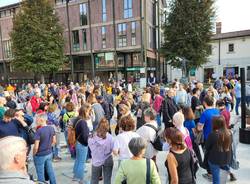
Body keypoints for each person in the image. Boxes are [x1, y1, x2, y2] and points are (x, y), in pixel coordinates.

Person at [205, 116, 232, 184]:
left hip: (214, 160)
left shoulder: (213, 135)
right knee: (223, 176)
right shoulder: (229, 133)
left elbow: (207, 147)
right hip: (226, 158)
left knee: (216, 179)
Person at [33, 113, 57, 184]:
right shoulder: (51, 128)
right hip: (49, 153)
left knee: (40, 173)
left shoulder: (39, 131)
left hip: (40, 154)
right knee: (50, 170)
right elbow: (54, 141)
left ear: (41, 120)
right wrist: (48, 147)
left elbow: (36, 147)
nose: (36, 121)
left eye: (37, 120)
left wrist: (34, 154)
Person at [88, 118, 114, 184]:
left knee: (94, 180)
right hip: (108, 158)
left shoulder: (91, 137)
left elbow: (90, 148)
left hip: (96, 160)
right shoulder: (110, 137)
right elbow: (112, 149)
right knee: (107, 180)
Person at [72, 104, 90, 184]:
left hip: (77, 142)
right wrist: (87, 142)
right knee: (81, 162)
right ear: (85, 112)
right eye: (88, 112)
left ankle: (76, 176)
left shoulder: (77, 119)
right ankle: (80, 179)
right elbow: (84, 135)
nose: (89, 113)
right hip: (82, 143)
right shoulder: (83, 122)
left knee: (78, 160)